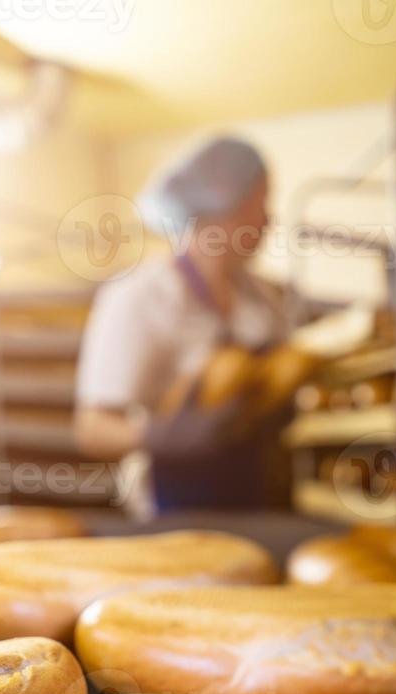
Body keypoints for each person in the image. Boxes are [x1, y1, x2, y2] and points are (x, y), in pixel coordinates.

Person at [75, 136, 288, 513]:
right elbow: (91, 429)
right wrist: (163, 436)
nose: (271, 219)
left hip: (257, 497)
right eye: (262, 202)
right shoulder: (140, 296)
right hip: (171, 507)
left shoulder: (261, 298)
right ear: (225, 204)